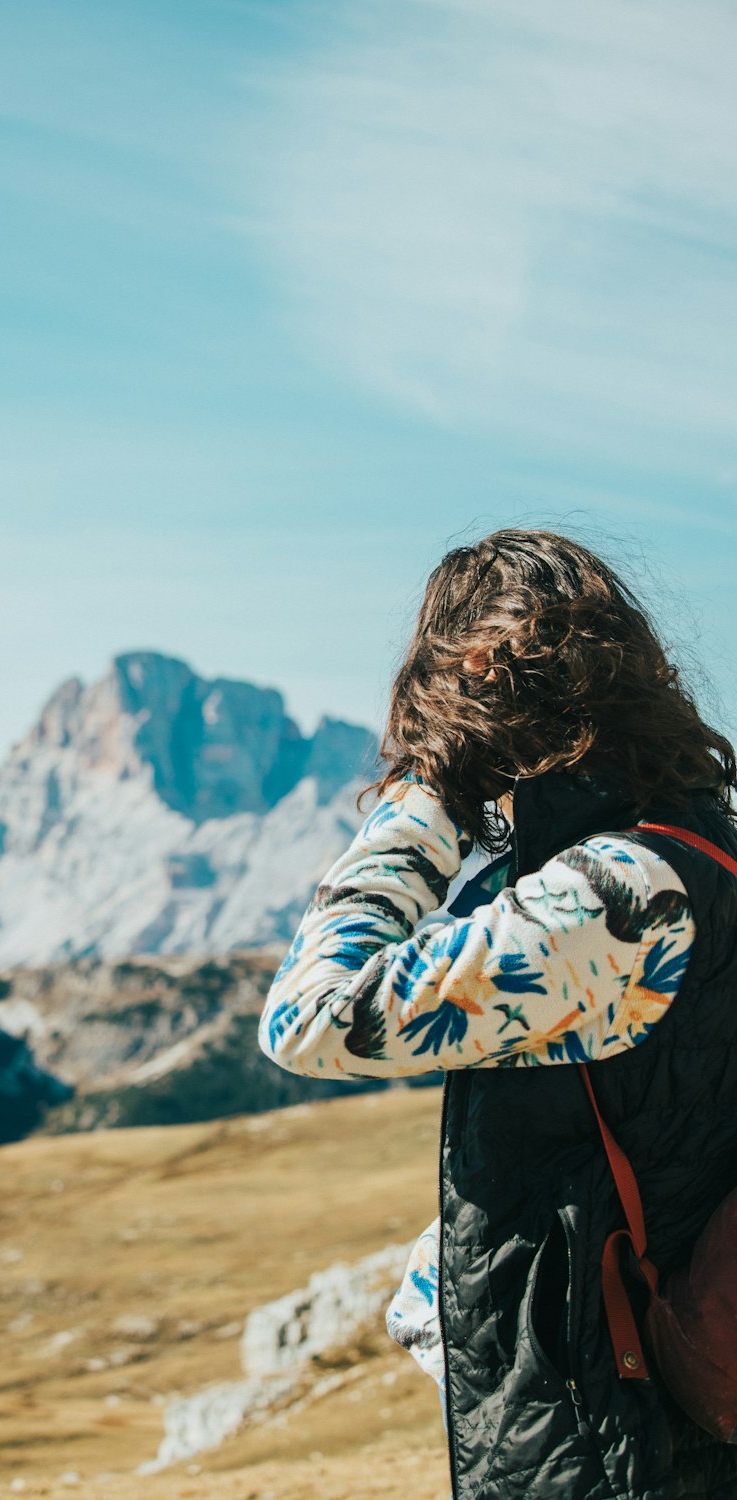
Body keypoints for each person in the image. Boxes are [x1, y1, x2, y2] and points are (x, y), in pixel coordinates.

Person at [258, 529, 737, 1500]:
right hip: (661, 1383)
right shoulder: (699, 844)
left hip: (614, 1430)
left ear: (472, 684)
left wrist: (417, 806)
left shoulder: (613, 897)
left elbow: (311, 1020)